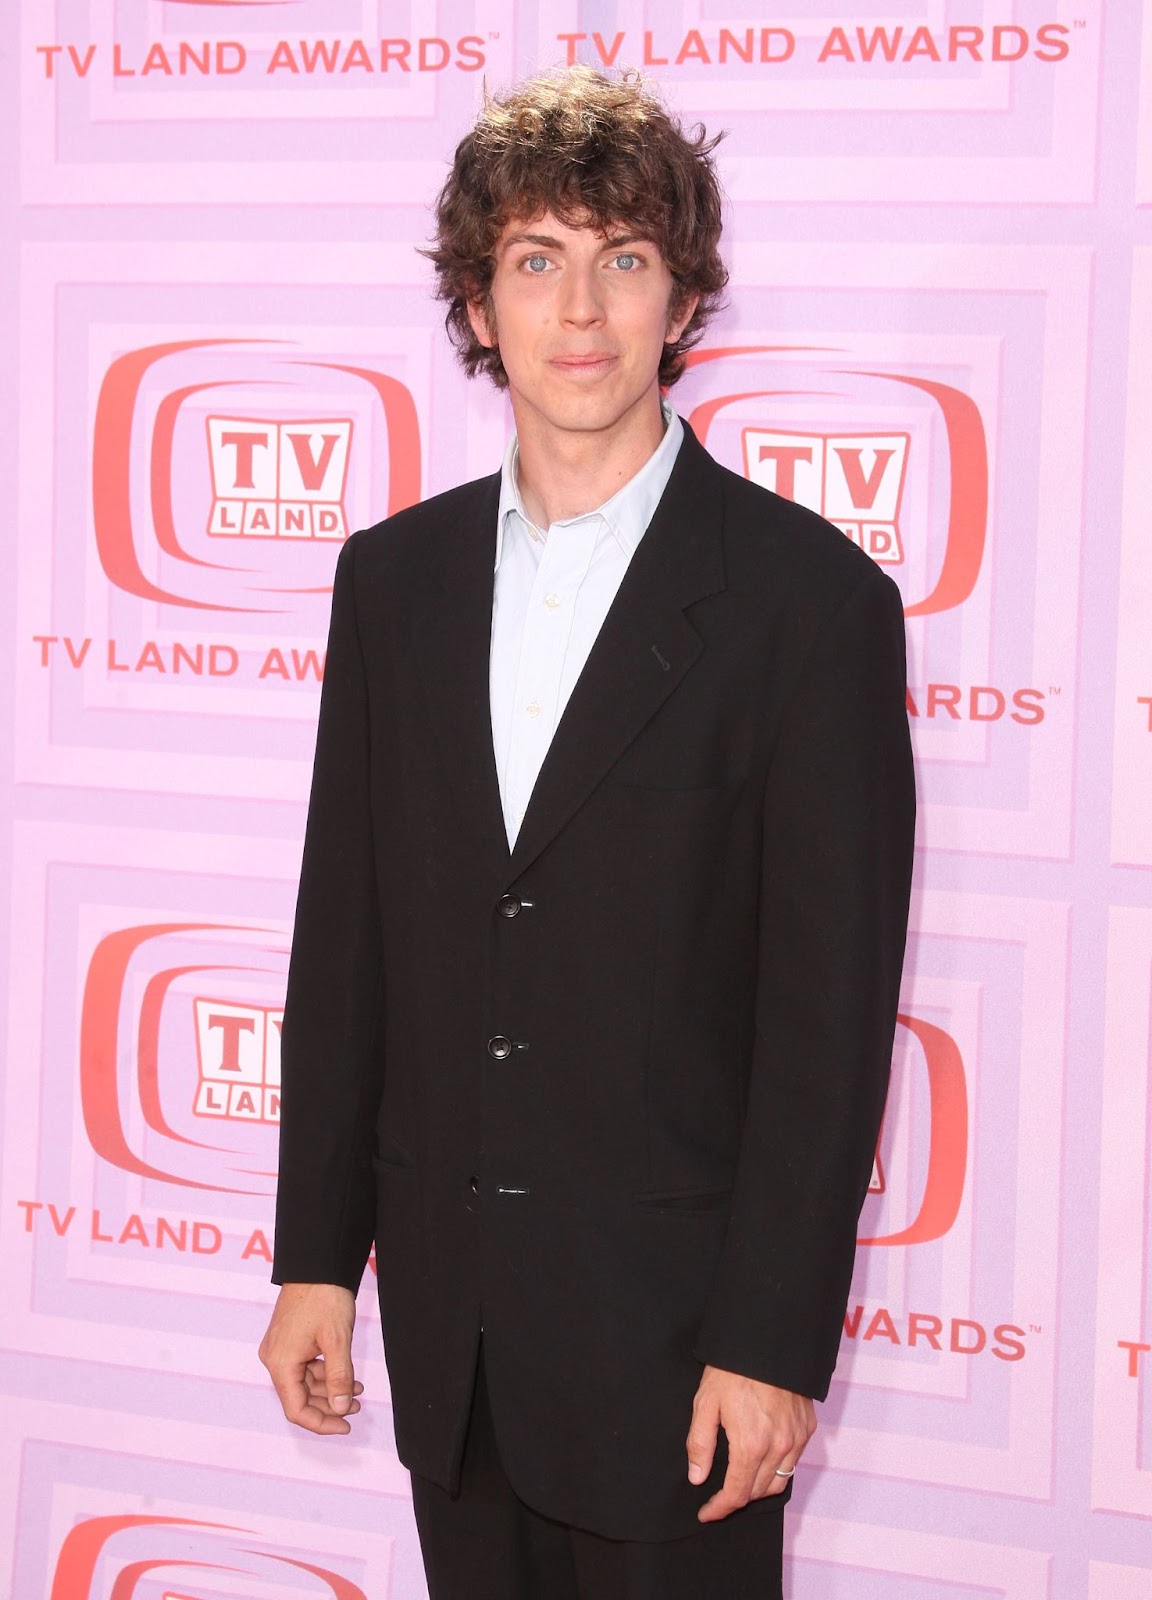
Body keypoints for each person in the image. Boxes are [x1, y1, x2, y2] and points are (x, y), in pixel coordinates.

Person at [259, 64, 915, 1600]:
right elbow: (345, 945)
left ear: (681, 299)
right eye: (537, 259)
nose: (582, 309)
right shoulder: (392, 587)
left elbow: (825, 1027)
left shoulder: (808, 609)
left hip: (680, 1360)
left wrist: (768, 1342)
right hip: (456, 1343)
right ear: (476, 305)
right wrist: (311, 1259)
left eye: (625, 259)